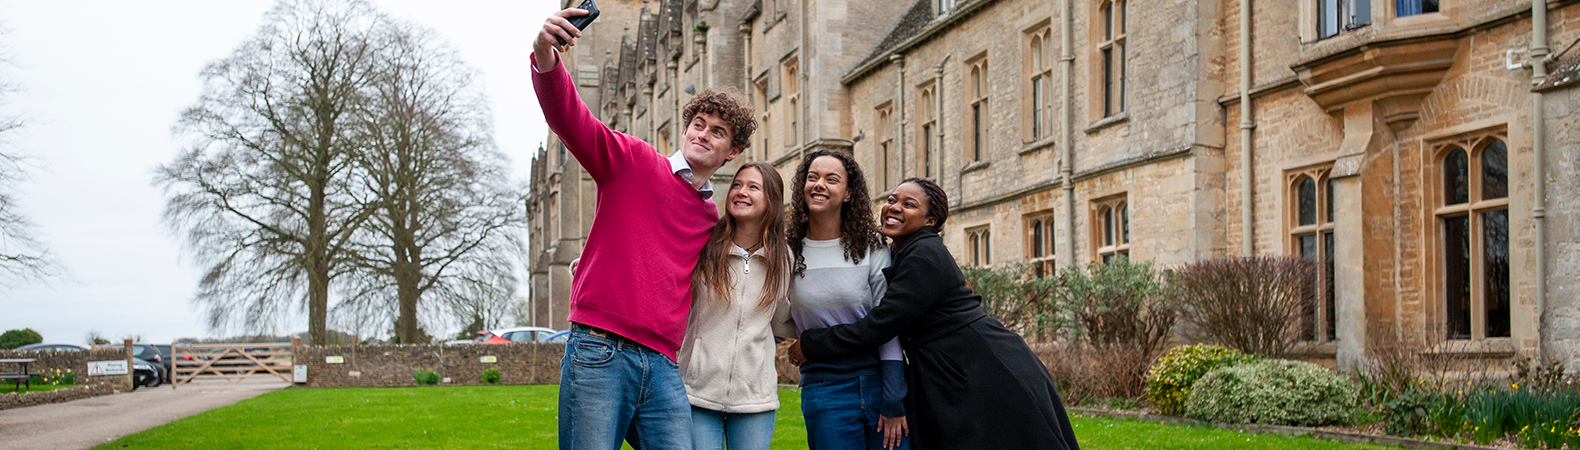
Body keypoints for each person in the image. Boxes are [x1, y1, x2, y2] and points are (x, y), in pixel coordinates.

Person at [531, 7, 757, 450]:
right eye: (698, 124)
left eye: (717, 131)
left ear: (733, 151)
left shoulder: (710, 218)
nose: (703, 135)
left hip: (661, 364)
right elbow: (570, 119)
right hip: (599, 351)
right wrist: (545, 56)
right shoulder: (632, 161)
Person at [788, 178, 1081, 450]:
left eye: (909, 204)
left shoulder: (924, 255)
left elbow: (880, 325)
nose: (894, 207)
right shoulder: (905, 250)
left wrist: (812, 344)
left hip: (983, 368)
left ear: (930, 221)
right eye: (892, 199)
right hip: (953, 365)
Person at [785, 150, 910, 450]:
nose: (819, 185)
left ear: (849, 193)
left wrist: (894, 397)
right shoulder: (788, 251)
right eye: (812, 177)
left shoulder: (873, 245)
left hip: (879, 384)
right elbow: (777, 315)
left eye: (832, 179)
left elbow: (886, 321)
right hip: (825, 392)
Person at [678, 162, 797, 450]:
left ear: (771, 200)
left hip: (755, 400)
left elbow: (782, 320)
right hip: (697, 394)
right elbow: (661, 275)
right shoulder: (705, 247)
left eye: (753, 187)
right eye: (737, 185)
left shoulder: (783, 259)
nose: (741, 192)